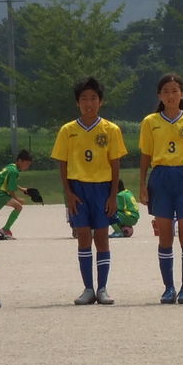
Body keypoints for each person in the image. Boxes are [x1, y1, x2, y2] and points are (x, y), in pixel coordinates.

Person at [51, 76, 128, 305]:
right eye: (84, 98)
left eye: (93, 98)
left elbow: (115, 163)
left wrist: (113, 195)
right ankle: (87, 288)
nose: (89, 103)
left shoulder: (111, 129)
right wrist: (68, 193)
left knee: (102, 237)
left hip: (102, 188)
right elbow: (62, 163)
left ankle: (103, 287)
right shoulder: (68, 130)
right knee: (83, 237)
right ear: (77, 102)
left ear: (100, 102)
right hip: (78, 189)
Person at [139, 72, 183, 304]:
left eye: (175, 91)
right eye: (166, 91)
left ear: (182, 93)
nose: (171, 95)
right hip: (161, 177)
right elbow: (145, 155)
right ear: (159, 95)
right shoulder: (150, 122)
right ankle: (168, 287)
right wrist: (142, 184)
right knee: (165, 236)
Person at [0, 149, 34, 240]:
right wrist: (17, 199)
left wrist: (21, 189)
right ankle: (5, 229)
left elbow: (8, 182)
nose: (27, 167)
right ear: (19, 161)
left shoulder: (11, 167)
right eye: (26, 164)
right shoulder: (14, 171)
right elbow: (10, 189)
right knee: (18, 207)